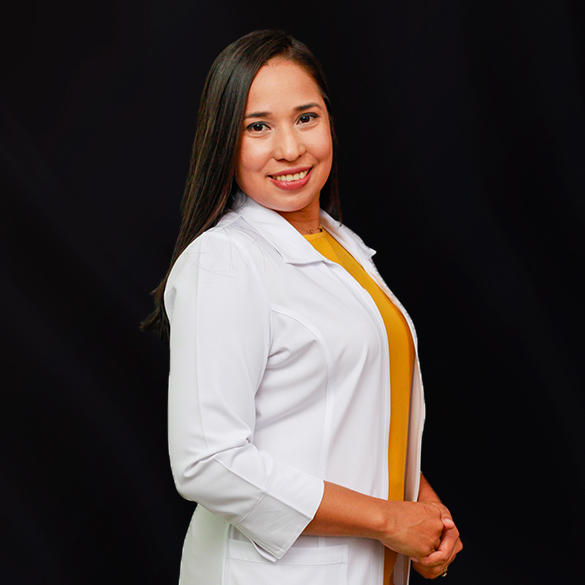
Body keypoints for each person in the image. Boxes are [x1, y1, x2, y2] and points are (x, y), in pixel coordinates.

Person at [142, 29, 462, 585]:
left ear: (329, 120)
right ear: (224, 140)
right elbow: (207, 462)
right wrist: (389, 520)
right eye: (258, 126)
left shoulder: (340, 245)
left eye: (306, 117)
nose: (290, 148)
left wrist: (422, 505)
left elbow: (360, 413)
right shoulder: (225, 260)